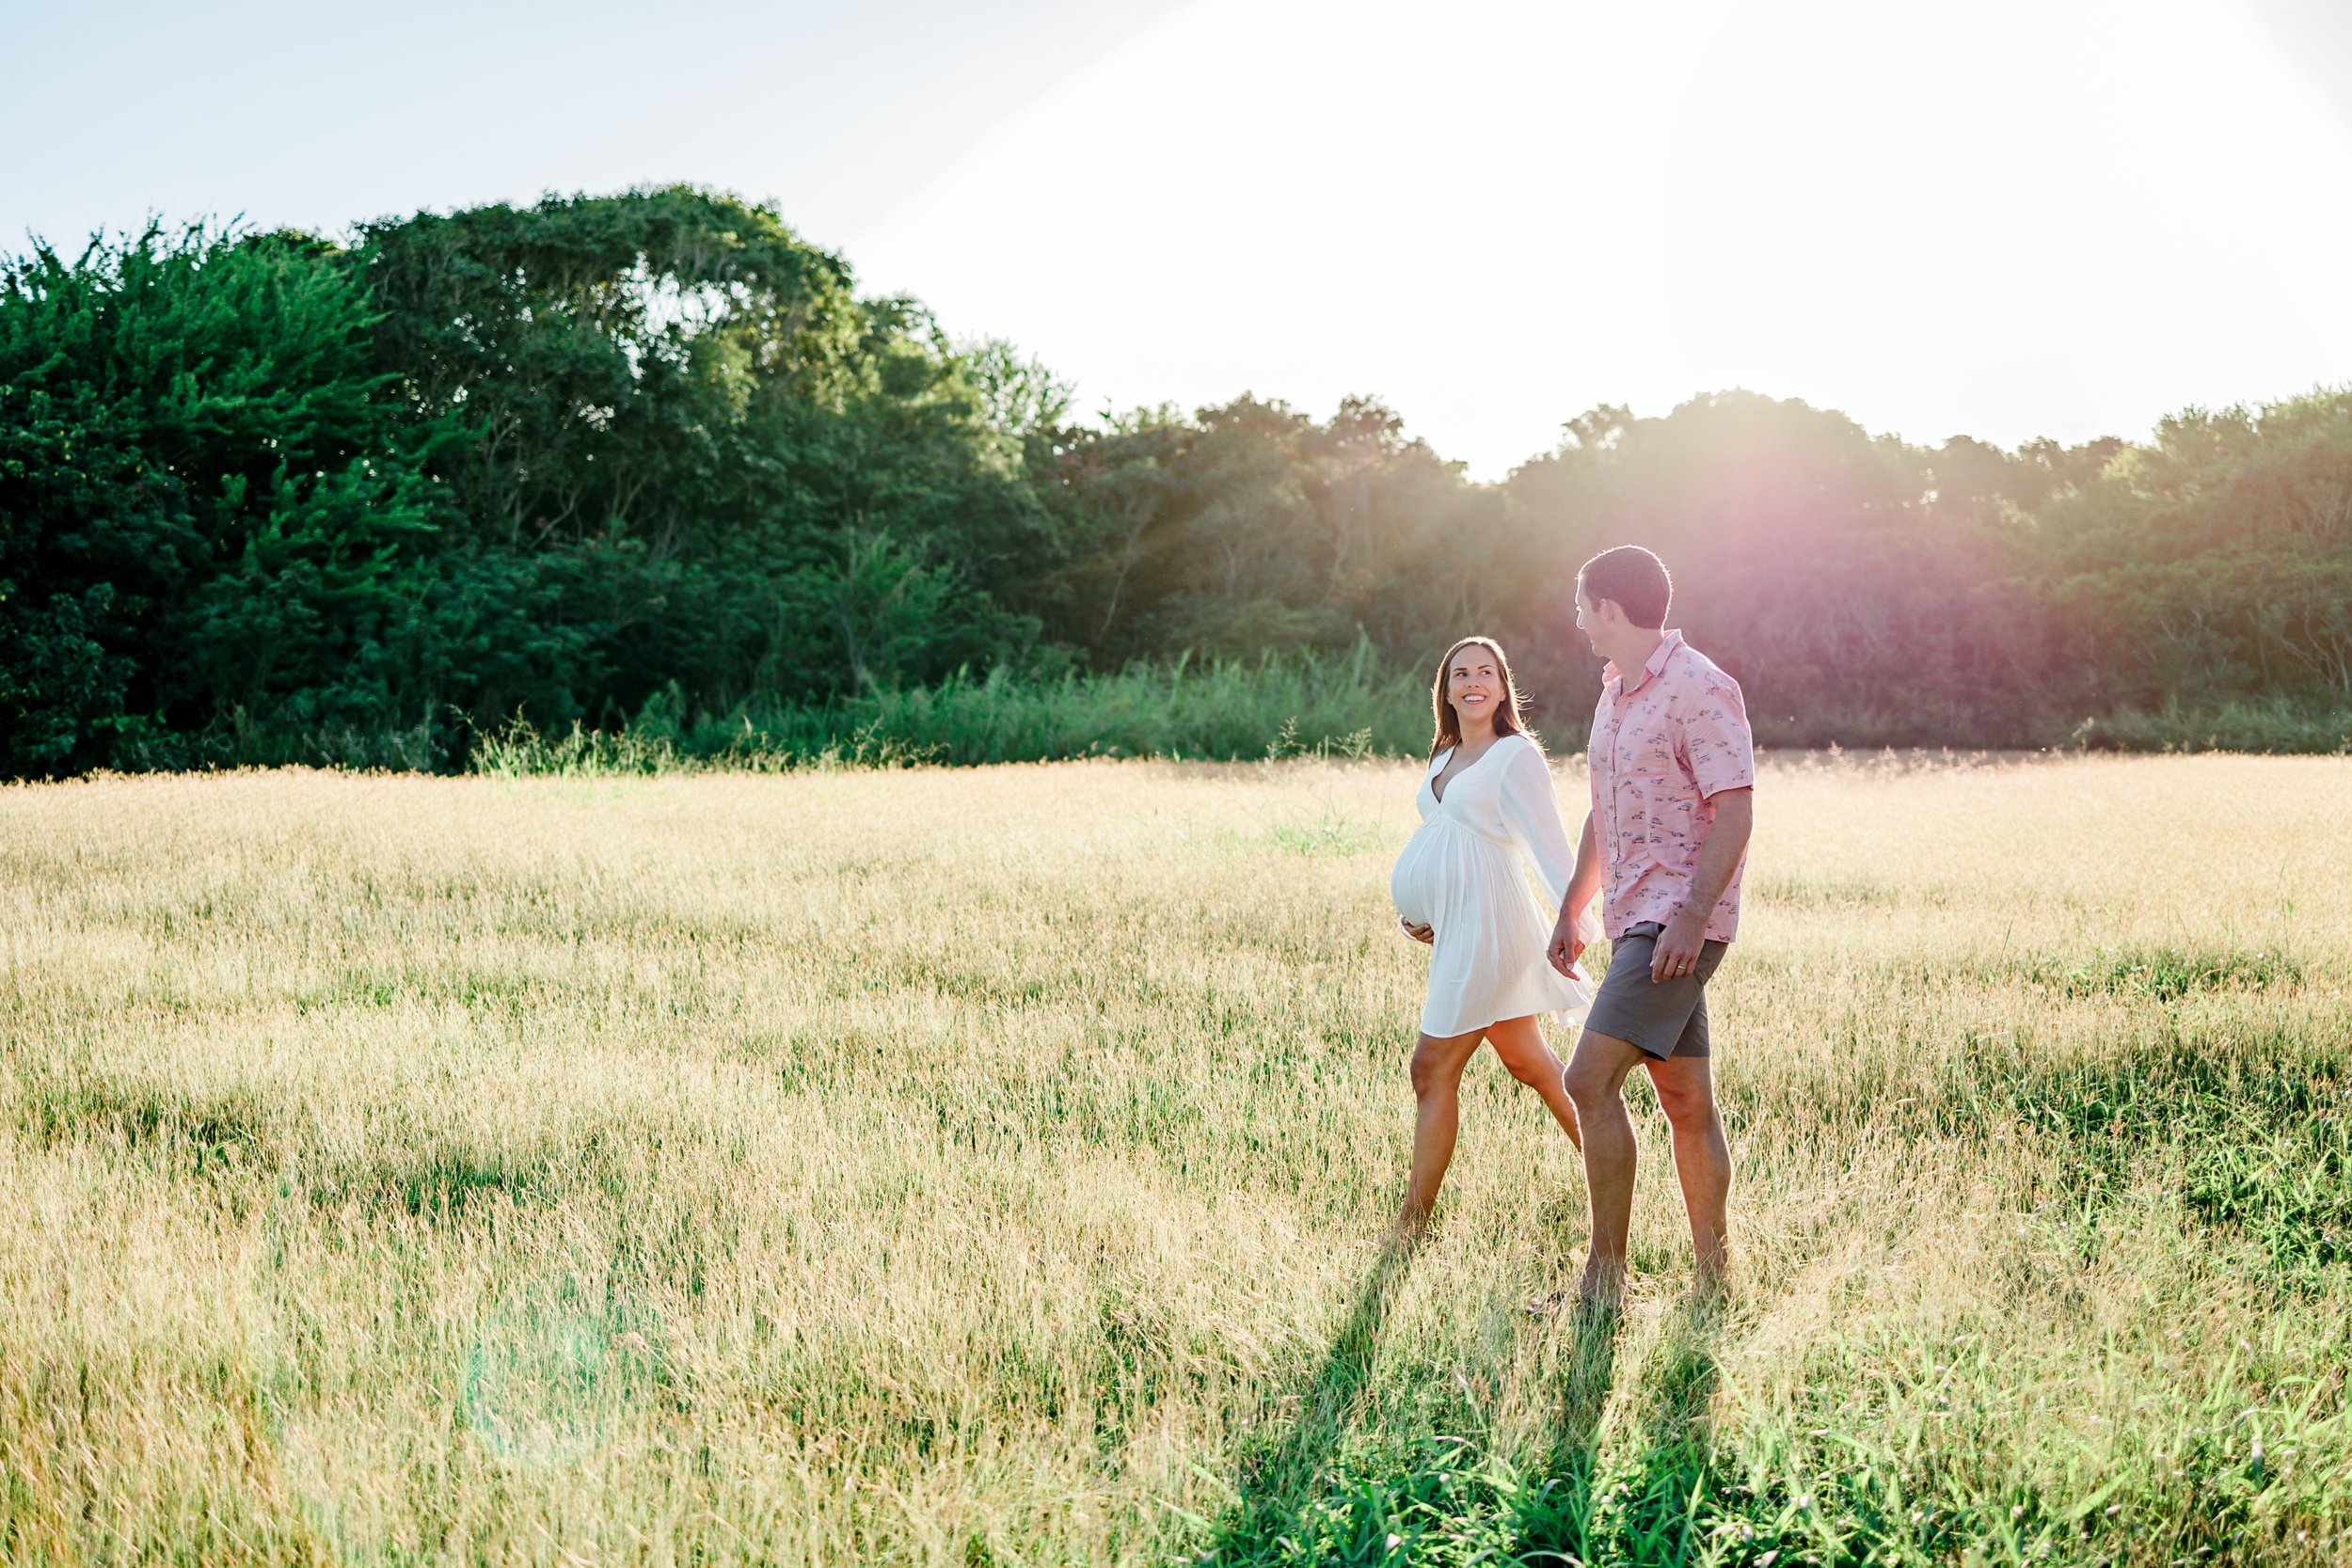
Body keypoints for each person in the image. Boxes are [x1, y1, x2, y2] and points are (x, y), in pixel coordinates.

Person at [1546, 546, 1755, 1304]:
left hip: (1677, 921)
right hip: (1635, 915)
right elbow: (1603, 809)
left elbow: (1736, 806)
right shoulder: (1615, 694)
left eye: (1581, 604)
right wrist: (1574, 904)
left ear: (1608, 606)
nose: (1576, 619)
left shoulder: (1700, 686)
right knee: (1686, 1099)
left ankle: (1604, 1280)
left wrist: (1693, 919)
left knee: (1586, 1077)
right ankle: (1715, 1280)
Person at [1390, 635, 1597, 1243]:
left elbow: (1549, 843)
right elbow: (1443, 844)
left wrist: (1575, 921)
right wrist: (1421, 911)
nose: (1472, 681)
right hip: (1461, 929)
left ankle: (1412, 1223)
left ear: (1503, 687)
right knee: (1528, 1061)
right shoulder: (1442, 756)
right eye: (1460, 673)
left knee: (1431, 1067)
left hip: (1493, 927)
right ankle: (1613, 1165)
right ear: (1446, 689)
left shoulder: (1515, 755)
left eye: (1486, 672)